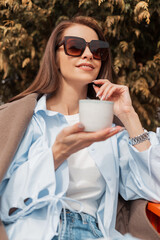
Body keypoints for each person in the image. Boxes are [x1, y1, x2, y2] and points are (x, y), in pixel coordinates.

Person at [0, 15, 160, 240]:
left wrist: (129, 116)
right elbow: (6, 201)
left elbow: (155, 188)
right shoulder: (25, 121)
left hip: (92, 232)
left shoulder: (111, 130)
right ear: (54, 58)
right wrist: (55, 155)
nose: (88, 55)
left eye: (98, 50)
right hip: (33, 232)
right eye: (75, 46)